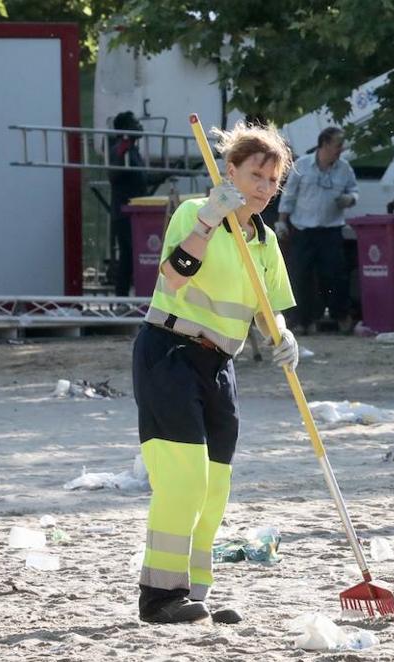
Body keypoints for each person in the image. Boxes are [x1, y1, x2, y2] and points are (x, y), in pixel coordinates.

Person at [134, 122, 299, 624]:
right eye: (256, 176)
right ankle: (159, 596)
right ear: (230, 172)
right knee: (183, 480)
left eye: (273, 181)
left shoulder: (265, 241)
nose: (264, 189)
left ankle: (194, 592)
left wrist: (284, 335)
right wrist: (208, 220)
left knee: (215, 486)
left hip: (219, 364)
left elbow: (271, 309)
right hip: (169, 353)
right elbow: (175, 273)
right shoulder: (194, 212)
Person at [276, 126, 359, 335]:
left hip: (331, 230)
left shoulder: (344, 168)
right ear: (324, 144)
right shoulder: (302, 165)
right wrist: (282, 222)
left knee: (335, 275)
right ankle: (302, 321)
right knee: (300, 275)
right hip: (303, 230)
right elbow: (289, 196)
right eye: (337, 145)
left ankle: (341, 317)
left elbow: (353, 190)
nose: (340, 150)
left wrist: (351, 199)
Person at [109, 111, 150, 296]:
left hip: (135, 212)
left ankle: (123, 298)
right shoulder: (120, 148)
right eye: (135, 123)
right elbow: (113, 175)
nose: (140, 126)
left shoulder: (133, 150)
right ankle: (123, 299)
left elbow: (142, 179)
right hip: (125, 214)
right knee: (130, 256)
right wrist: (123, 151)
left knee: (130, 257)